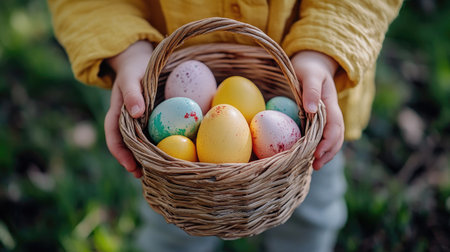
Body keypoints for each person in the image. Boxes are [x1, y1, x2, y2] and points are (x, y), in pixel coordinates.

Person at [48, 0, 403, 251]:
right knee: (174, 232)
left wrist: (323, 50)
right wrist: (128, 51)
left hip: (307, 105)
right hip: (180, 168)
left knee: (312, 215)